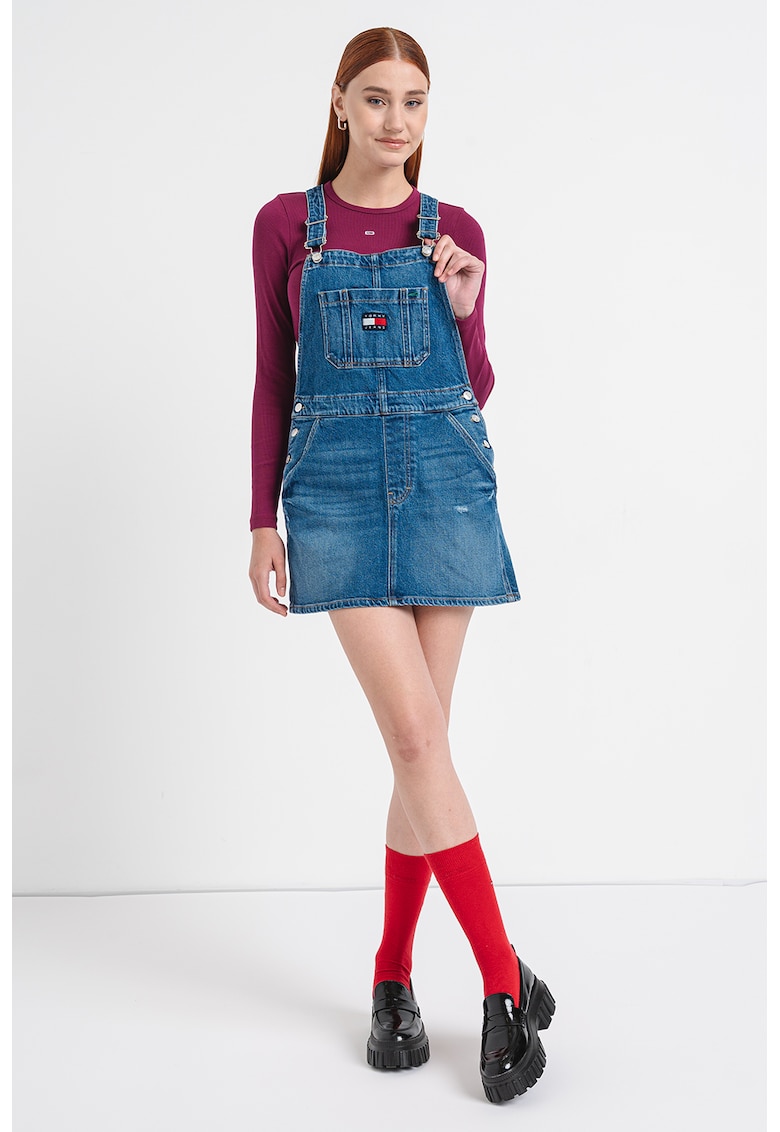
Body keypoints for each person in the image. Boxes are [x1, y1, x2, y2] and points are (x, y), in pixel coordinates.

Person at [248, 26, 555, 1104]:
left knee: (419, 748)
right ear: (340, 102)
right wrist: (261, 519)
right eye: (376, 98)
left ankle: (390, 977)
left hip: (444, 480)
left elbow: (475, 386)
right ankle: (503, 980)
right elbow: (273, 377)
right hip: (332, 492)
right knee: (418, 738)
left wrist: (466, 307)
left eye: (414, 102)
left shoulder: (454, 230)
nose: (396, 121)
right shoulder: (286, 225)